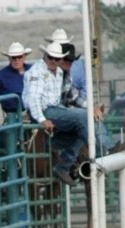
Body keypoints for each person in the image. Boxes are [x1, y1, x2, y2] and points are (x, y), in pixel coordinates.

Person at [22, 41, 114, 187]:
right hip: (46, 111)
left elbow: (72, 95)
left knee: (80, 128)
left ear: (60, 59)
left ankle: (63, 166)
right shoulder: (36, 73)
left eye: (57, 59)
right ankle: (105, 149)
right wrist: (42, 119)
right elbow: (34, 100)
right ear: (46, 55)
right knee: (83, 117)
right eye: (51, 57)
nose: (53, 61)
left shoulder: (59, 73)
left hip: (56, 110)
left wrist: (91, 107)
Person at [0, 42, 32, 113]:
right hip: (12, 115)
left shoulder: (34, 70)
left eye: (19, 57)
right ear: (9, 58)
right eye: (14, 57)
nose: (17, 60)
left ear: (24, 57)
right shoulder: (0, 75)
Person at [44, 28, 87, 106]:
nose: (69, 62)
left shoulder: (66, 75)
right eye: (66, 59)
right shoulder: (45, 71)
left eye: (71, 60)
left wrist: (88, 106)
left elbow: (73, 94)